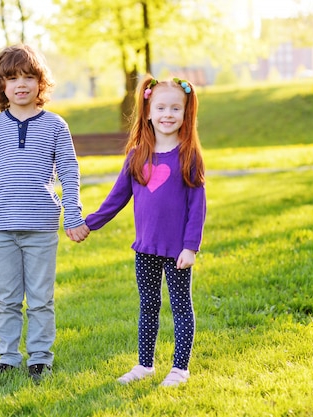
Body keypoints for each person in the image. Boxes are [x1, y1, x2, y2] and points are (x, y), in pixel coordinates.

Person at [0, 44, 89, 381]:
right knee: (7, 300)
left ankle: (40, 358)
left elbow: (69, 172)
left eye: (29, 77)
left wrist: (73, 214)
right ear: (0, 85)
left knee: (41, 299)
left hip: (41, 227)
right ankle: (8, 357)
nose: (21, 84)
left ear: (40, 84)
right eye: (12, 78)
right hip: (1, 228)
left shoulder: (56, 125)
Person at [85, 76, 206, 387]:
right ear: (148, 112)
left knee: (180, 306)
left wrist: (190, 247)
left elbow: (197, 207)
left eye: (175, 108)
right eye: (161, 107)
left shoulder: (189, 156)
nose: (168, 114)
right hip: (145, 248)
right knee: (148, 307)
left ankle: (180, 368)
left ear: (186, 113)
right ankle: (145, 365)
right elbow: (117, 197)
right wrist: (90, 223)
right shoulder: (137, 155)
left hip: (177, 250)